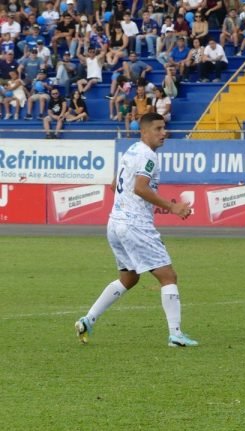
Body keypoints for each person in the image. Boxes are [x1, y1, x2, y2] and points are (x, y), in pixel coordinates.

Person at [75, 113, 198, 348]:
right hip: (135, 225)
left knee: (129, 278)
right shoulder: (148, 156)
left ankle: (87, 320)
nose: (164, 133)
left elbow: (114, 184)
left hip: (115, 223)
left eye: (164, 128)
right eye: (158, 129)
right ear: (144, 132)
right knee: (168, 276)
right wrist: (172, 207)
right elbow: (141, 188)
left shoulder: (131, 151)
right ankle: (176, 334)